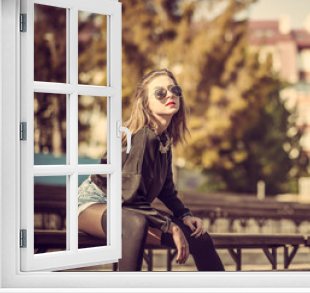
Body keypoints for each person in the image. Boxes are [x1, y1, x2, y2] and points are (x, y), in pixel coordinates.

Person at [77, 69, 225, 271]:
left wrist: (184, 216)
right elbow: (129, 198)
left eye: (174, 90)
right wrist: (169, 225)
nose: (170, 95)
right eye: (160, 93)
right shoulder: (142, 137)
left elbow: (166, 191)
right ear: (146, 103)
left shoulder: (164, 140)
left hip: (128, 209)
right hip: (93, 205)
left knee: (199, 238)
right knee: (136, 223)